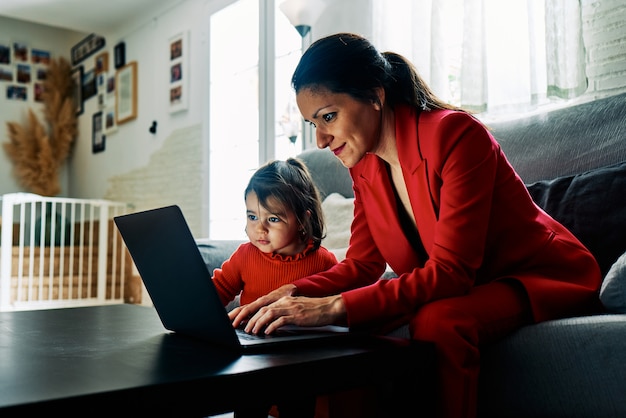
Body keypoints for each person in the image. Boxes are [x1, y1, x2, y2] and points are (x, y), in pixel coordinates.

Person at [229, 33, 602, 418]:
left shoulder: (456, 135)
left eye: (328, 117)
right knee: (329, 328)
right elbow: (363, 266)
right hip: (472, 285)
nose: (322, 140)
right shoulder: (364, 164)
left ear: (375, 95)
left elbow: (451, 272)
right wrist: (292, 292)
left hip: (541, 275)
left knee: (438, 319)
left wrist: (334, 306)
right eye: (313, 123)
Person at [212, 157, 338, 418]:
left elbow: (337, 309)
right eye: (252, 216)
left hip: (301, 362)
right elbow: (218, 291)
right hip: (251, 359)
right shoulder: (245, 255)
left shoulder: (324, 262)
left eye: (273, 218)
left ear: (302, 221)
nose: (259, 228)